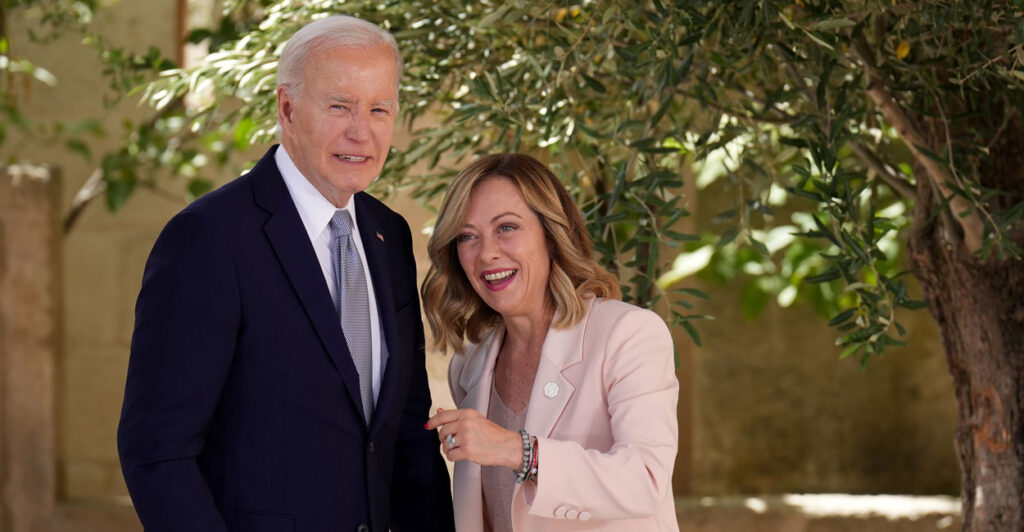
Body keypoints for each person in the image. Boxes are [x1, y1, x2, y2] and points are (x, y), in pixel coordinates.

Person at [117, 15, 454, 532]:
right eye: (339, 105)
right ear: (287, 107)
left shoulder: (390, 235)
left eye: (379, 109)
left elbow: (405, 430)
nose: (360, 131)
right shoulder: (209, 239)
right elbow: (157, 451)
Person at [422, 153, 680, 531]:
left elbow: (645, 481)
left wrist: (518, 451)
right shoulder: (469, 366)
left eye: (506, 228)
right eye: (467, 236)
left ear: (552, 234)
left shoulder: (629, 334)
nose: (487, 252)